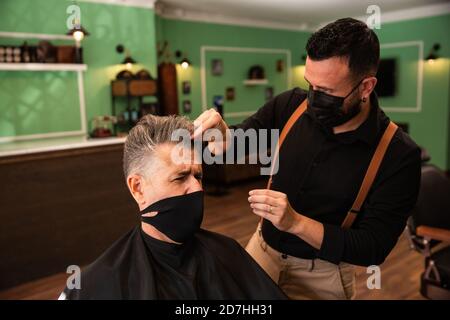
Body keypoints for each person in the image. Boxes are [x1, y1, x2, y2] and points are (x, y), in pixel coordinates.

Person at [193, 18, 421, 299]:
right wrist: (222, 136)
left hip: (323, 277)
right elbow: (240, 142)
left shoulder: (398, 155)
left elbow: (372, 247)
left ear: (366, 87)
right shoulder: (290, 105)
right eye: (309, 84)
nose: (313, 98)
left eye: (325, 91)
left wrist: (296, 223)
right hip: (261, 251)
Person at [59, 115, 287, 300]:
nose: (196, 188)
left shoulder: (227, 253)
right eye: (180, 178)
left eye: (198, 176)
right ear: (138, 188)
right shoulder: (93, 284)